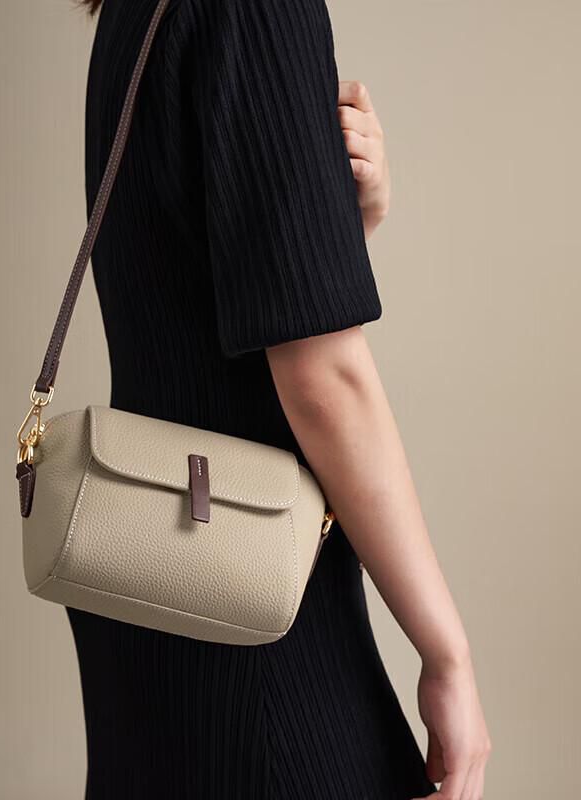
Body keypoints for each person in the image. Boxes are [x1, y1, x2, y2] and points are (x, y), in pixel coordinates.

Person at [65, 0, 491, 798]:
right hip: (257, 621)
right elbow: (323, 379)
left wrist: (342, 226)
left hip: (151, 595)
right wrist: (449, 657)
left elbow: (191, 303)